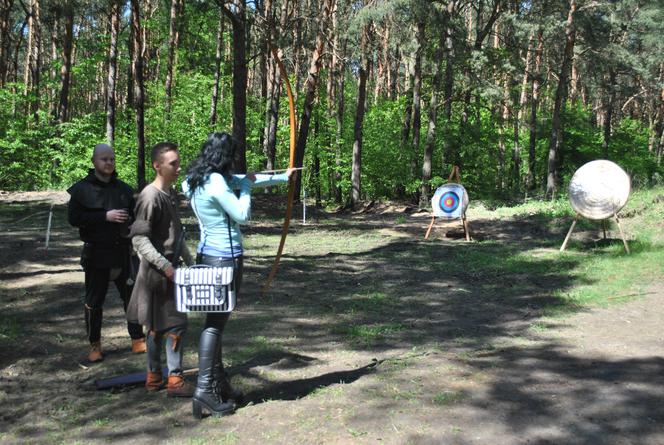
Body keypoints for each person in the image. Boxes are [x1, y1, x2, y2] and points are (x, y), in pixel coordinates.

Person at [182, 132, 294, 418]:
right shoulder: (218, 181)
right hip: (225, 258)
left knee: (214, 322)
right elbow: (242, 212)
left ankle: (218, 385)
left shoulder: (195, 179)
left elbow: (243, 178)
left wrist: (282, 177)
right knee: (215, 324)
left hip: (207, 255)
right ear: (225, 156)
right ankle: (205, 390)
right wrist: (244, 188)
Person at [127, 141, 195, 397]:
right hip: (157, 275)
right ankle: (172, 380)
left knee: (164, 326)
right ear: (158, 166)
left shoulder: (169, 194)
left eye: (178, 162)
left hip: (171, 271)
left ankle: (156, 378)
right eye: (173, 163)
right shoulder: (150, 196)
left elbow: (176, 237)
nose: (178, 167)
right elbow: (139, 240)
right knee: (169, 326)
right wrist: (166, 267)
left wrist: (190, 263)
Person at [67, 143, 146, 363]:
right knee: (94, 301)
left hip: (122, 252)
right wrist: (104, 216)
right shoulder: (81, 190)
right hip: (97, 253)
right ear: (94, 161)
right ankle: (95, 344)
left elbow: (134, 216)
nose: (109, 162)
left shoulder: (123, 189)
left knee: (131, 298)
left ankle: (137, 338)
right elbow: (73, 219)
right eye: (104, 159)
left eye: (111, 159)